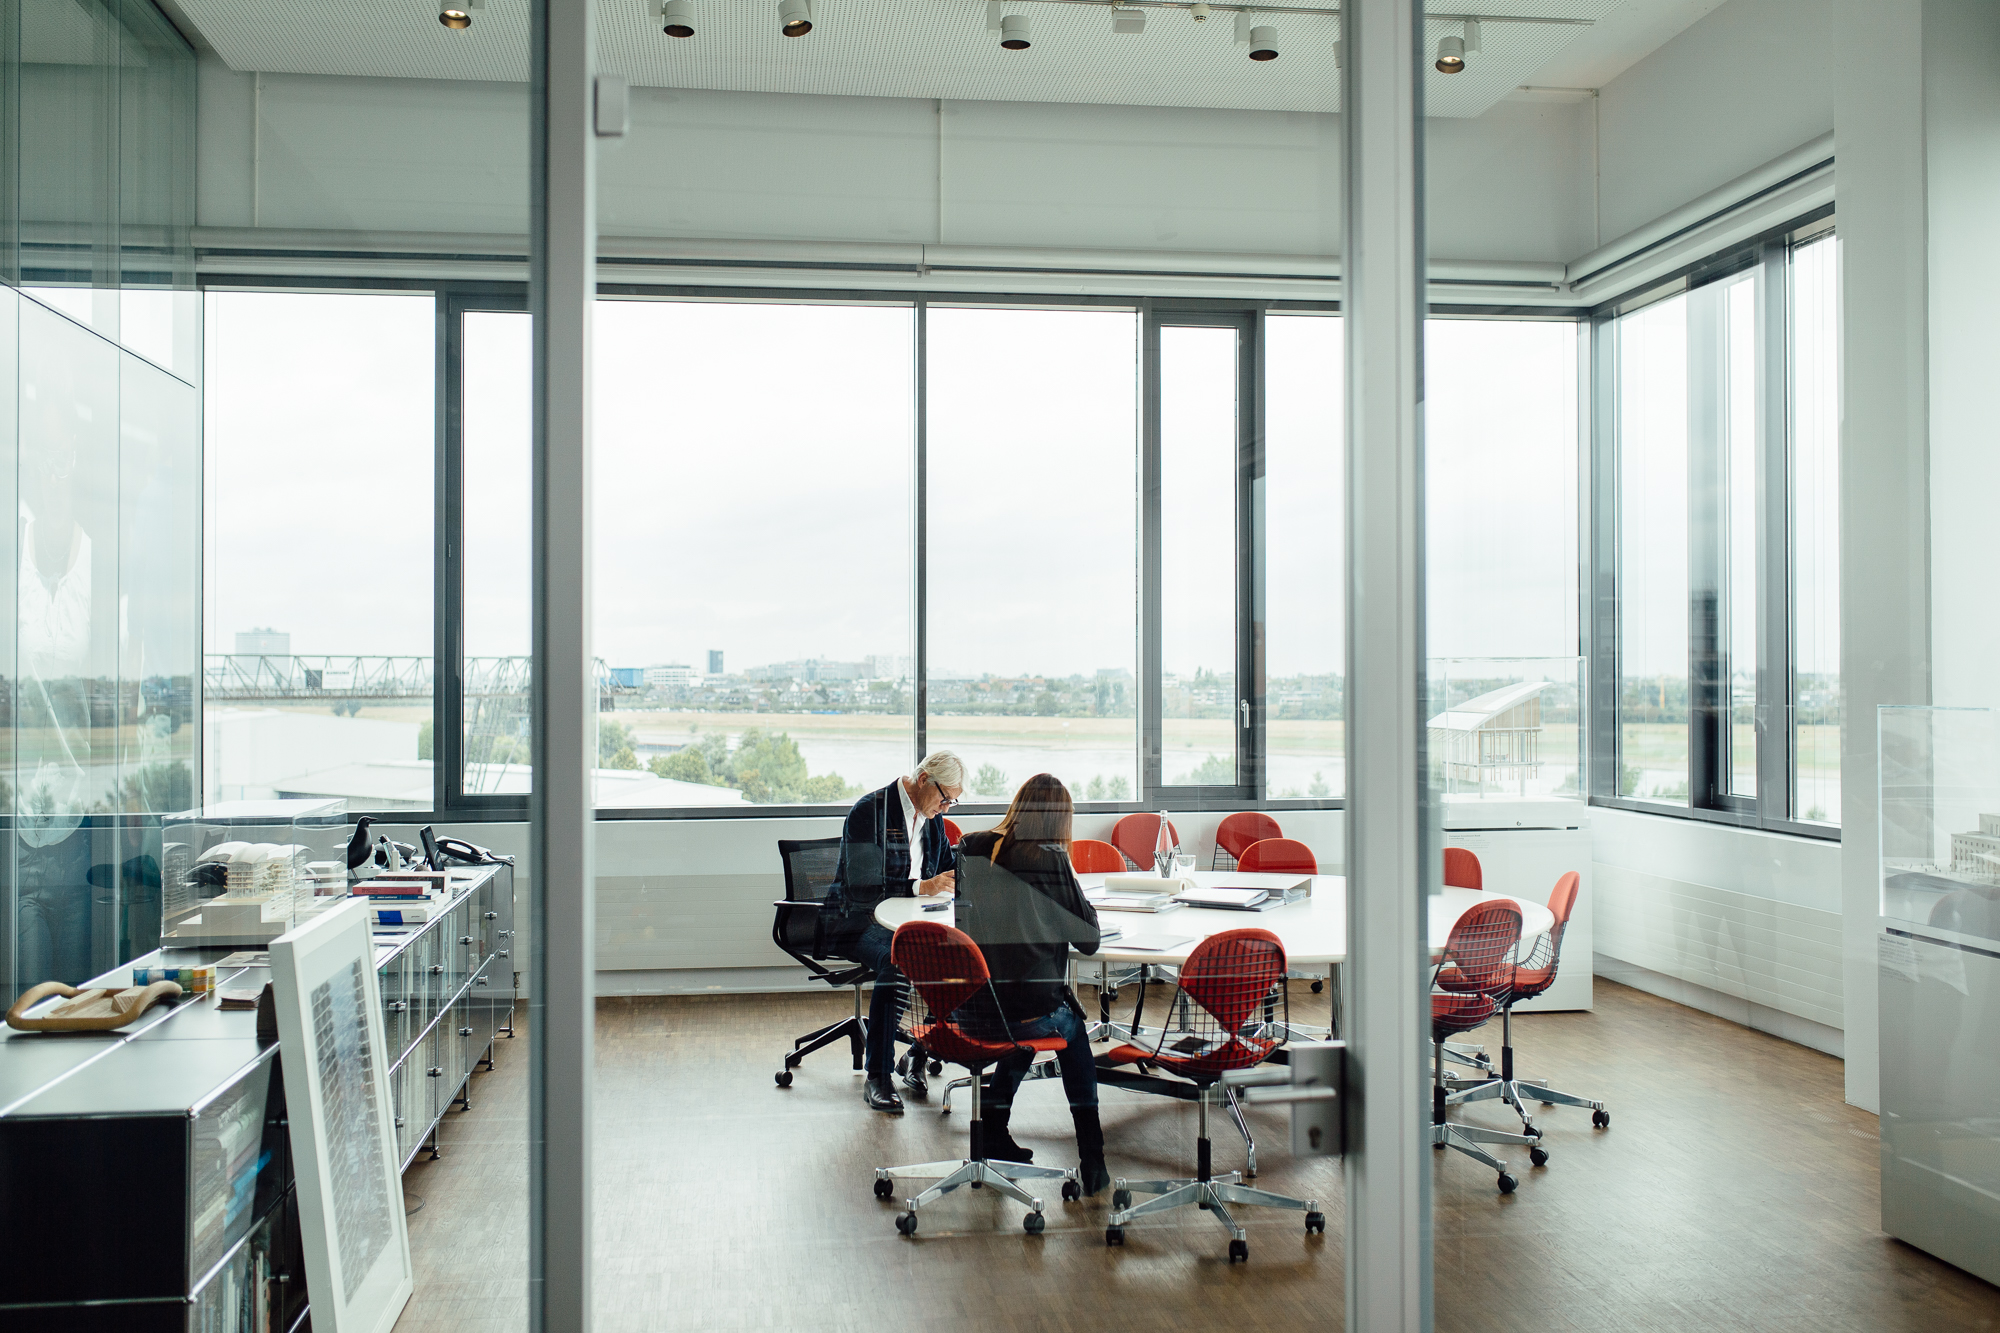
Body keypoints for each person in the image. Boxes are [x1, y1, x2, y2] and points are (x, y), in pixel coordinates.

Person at [954, 773, 1109, 1196]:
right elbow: (1090, 939)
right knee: (1068, 1028)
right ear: (1061, 820)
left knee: (1026, 1024)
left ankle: (993, 1128)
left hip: (971, 1005)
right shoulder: (1051, 860)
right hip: (1025, 1010)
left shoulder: (970, 846)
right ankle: (1093, 1160)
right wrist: (1074, 888)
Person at [822, 751, 964, 1114]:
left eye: (953, 801)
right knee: (898, 961)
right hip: (857, 920)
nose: (947, 808)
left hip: (911, 920)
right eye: (944, 797)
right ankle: (879, 1077)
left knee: (961, 959)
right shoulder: (869, 811)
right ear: (923, 780)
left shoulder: (931, 818)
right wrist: (922, 887)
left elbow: (946, 865)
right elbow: (864, 884)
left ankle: (918, 1055)